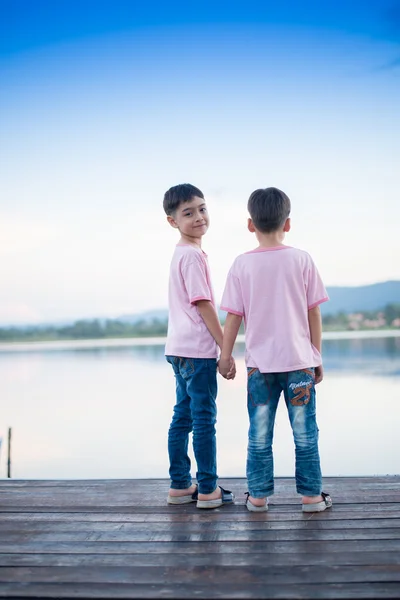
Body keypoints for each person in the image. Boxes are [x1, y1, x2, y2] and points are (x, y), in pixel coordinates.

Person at [218, 186, 332, 513]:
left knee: (259, 434)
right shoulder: (302, 259)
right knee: (305, 433)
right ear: (288, 224)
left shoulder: (241, 265)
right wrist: (317, 356)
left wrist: (225, 357)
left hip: (259, 367)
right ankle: (311, 497)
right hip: (299, 363)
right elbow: (314, 312)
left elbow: (233, 318)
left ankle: (257, 498)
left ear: (251, 224)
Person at [163, 183, 235, 509]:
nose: (198, 217)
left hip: (178, 350)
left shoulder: (183, 253)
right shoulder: (192, 257)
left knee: (183, 416)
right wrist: (226, 348)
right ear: (172, 221)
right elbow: (203, 304)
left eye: (202, 209)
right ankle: (208, 489)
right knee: (203, 419)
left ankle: (180, 485)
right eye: (188, 213)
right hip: (196, 351)